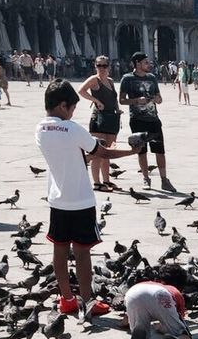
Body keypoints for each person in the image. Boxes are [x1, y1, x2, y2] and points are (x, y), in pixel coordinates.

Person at [35, 80, 139, 315]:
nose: (72, 113)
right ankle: (88, 301)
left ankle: (67, 300)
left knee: (59, 252)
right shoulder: (72, 129)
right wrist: (133, 151)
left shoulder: (40, 128)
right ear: (63, 106)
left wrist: (87, 153)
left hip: (57, 199)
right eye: (72, 109)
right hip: (81, 200)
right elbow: (104, 153)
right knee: (82, 253)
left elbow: (70, 157)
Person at [119, 50, 176, 192]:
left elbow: (160, 98)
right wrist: (137, 100)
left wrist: (158, 99)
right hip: (137, 119)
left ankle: (164, 179)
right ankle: (146, 178)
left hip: (153, 119)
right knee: (141, 150)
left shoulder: (152, 78)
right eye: (145, 62)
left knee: (160, 150)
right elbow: (121, 100)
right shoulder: (127, 79)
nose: (148, 64)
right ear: (137, 64)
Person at [126, 276, 194, 339]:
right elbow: (178, 316)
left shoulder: (148, 283)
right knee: (182, 333)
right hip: (160, 294)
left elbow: (125, 320)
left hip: (132, 293)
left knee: (140, 330)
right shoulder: (173, 290)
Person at [78, 56, 122, 191]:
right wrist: (95, 100)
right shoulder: (94, 80)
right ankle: (97, 183)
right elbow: (81, 91)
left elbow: (114, 98)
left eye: (104, 65)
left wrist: (117, 109)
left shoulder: (110, 81)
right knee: (98, 151)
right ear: (95, 66)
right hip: (99, 119)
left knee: (108, 151)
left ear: (108, 66)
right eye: (99, 65)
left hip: (111, 118)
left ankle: (106, 180)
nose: (101, 68)